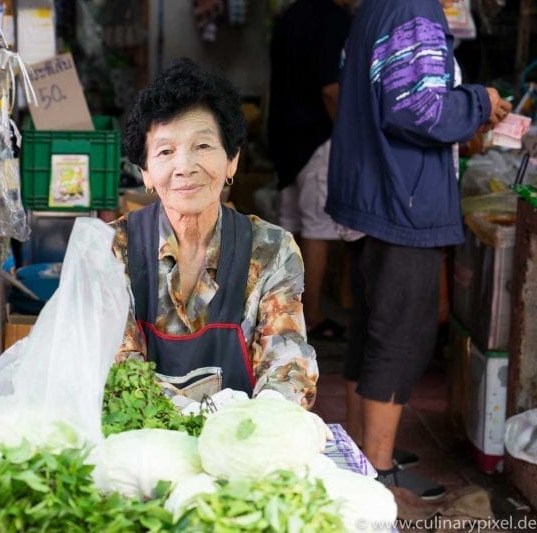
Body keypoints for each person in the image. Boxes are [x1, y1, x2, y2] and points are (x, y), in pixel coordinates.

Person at [326, 0, 511, 500]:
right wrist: (479, 101)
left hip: (376, 190)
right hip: (402, 198)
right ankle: (378, 473)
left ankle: (361, 451)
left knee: (372, 327)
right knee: (400, 335)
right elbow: (417, 108)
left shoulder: (378, 7)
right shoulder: (414, 10)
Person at [112, 58, 318, 409]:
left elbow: (289, 369)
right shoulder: (114, 250)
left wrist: (252, 426)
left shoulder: (271, 251)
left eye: (203, 146)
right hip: (141, 445)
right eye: (165, 152)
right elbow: (116, 371)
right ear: (145, 172)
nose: (184, 167)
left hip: (239, 446)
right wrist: (188, 419)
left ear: (232, 160)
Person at [267, 0, 363, 342]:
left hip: (286, 135)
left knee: (289, 225)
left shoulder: (290, 15)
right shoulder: (336, 20)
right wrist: (350, 136)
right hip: (318, 136)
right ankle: (311, 315)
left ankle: (278, 311)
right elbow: (331, 90)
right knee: (317, 229)